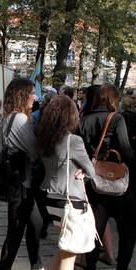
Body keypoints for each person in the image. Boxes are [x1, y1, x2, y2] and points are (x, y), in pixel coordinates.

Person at [79, 84, 136, 270]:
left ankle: (91, 267)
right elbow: (126, 150)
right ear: (113, 99)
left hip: (94, 182)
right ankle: (122, 267)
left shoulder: (84, 119)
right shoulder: (116, 118)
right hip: (118, 184)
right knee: (127, 230)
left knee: (95, 231)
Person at [36, 95, 95, 270]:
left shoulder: (43, 138)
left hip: (50, 196)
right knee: (70, 252)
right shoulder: (73, 141)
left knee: (65, 247)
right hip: (70, 198)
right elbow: (91, 171)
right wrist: (86, 169)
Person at [0, 78, 43, 270]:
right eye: (32, 93)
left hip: (18, 181)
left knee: (35, 224)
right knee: (15, 231)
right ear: (22, 95)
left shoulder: (9, 117)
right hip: (21, 182)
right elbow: (34, 151)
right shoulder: (20, 119)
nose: (35, 97)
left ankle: (36, 264)